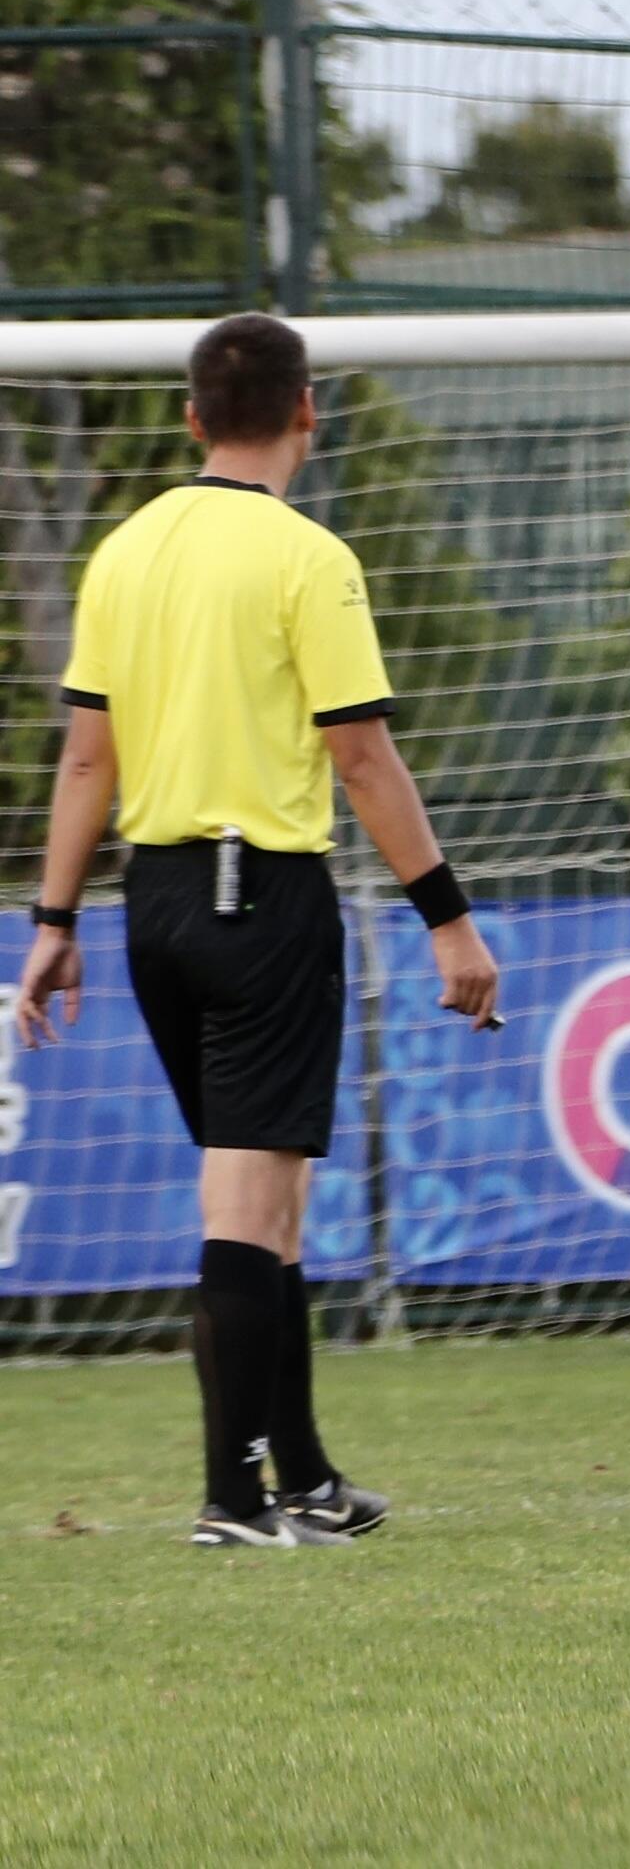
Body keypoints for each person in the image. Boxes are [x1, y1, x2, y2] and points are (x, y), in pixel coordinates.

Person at [14, 314, 502, 1547]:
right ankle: (233, 1502)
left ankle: (307, 1478)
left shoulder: (125, 550)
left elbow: (86, 759)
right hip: (261, 900)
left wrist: (53, 920)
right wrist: (448, 922)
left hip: (153, 906)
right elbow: (362, 757)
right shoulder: (307, 557)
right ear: (306, 414)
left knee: (266, 1203)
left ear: (191, 417)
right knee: (245, 1206)